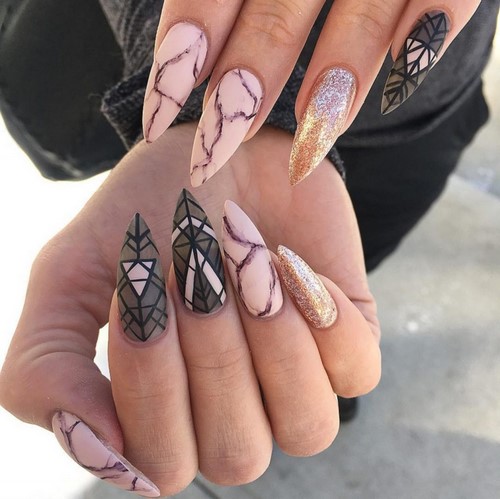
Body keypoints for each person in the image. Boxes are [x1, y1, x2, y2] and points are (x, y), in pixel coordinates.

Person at [0, 0, 498, 496]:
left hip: (409, 126)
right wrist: (203, 95)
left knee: (317, 299)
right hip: (131, 64)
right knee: (286, 313)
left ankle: (303, 368)